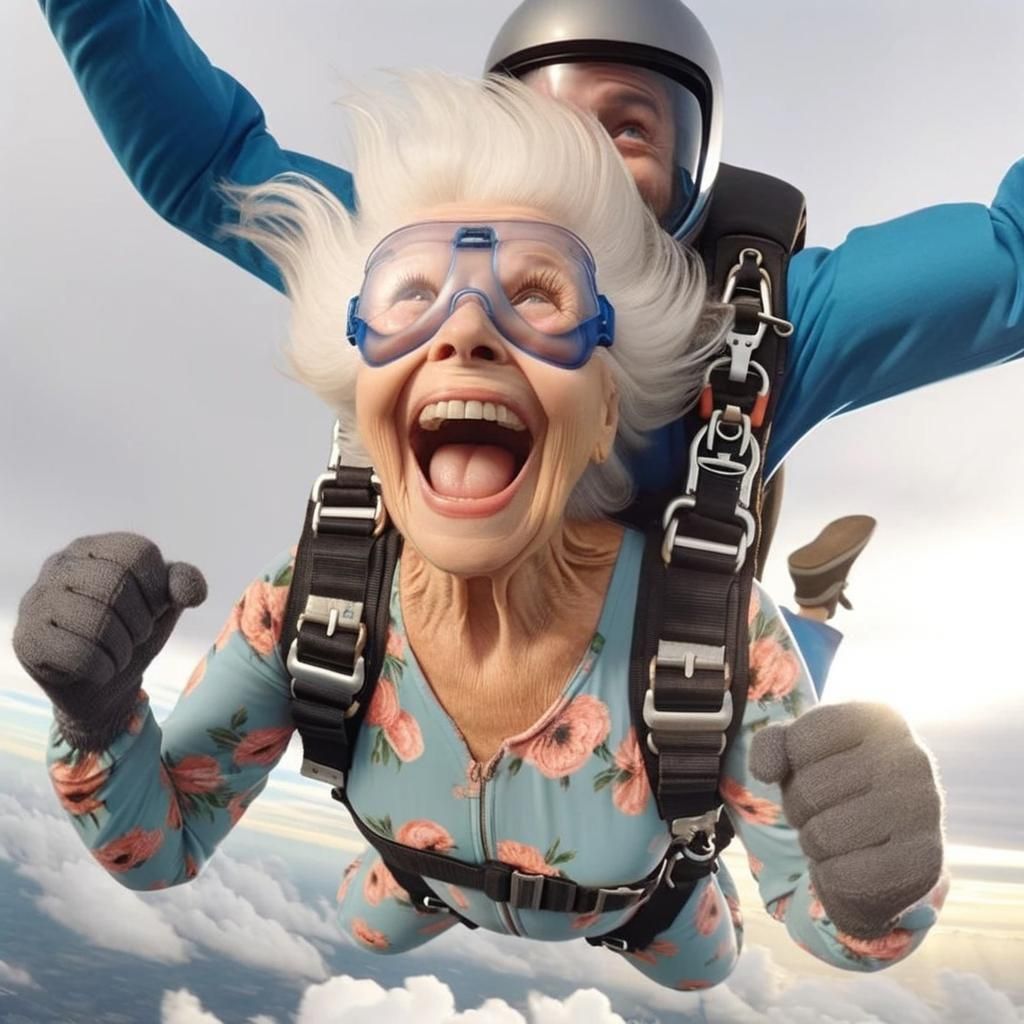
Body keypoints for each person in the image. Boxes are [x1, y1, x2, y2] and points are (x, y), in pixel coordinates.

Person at [13, 73, 947, 992]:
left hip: (644, 907)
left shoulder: (722, 632)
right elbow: (163, 845)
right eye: (412, 293)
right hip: (417, 877)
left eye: (537, 294)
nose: (466, 332)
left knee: (709, 965)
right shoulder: (307, 603)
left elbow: (826, 920)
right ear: (363, 394)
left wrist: (880, 885)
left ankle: (817, 608)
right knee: (365, 925)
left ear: (606, 409)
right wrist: (95, 717)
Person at [31, 0, 1024, 695]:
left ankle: (815, 600)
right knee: (391, 899)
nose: (579, 163)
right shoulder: (408, 265)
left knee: (780, 687)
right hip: (453, 721)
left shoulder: (759, 320)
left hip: (662, 676)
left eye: (627, 130)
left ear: (696, 171)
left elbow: (1010, 265)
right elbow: (210, 164)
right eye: (546, 125)